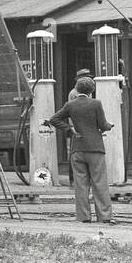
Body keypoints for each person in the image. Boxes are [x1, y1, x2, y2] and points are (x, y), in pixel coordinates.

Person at [46, 77, 116, 223]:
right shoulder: (96, 103)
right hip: (95, 148)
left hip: (77, 148)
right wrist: (109, 126)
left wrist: (69, 129)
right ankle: (104, 216)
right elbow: (102, 125)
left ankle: (83, 216)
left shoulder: (70, 105)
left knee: (81, 184)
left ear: (77, 89)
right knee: (99, 183)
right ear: (92, 90)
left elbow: (53, 119)